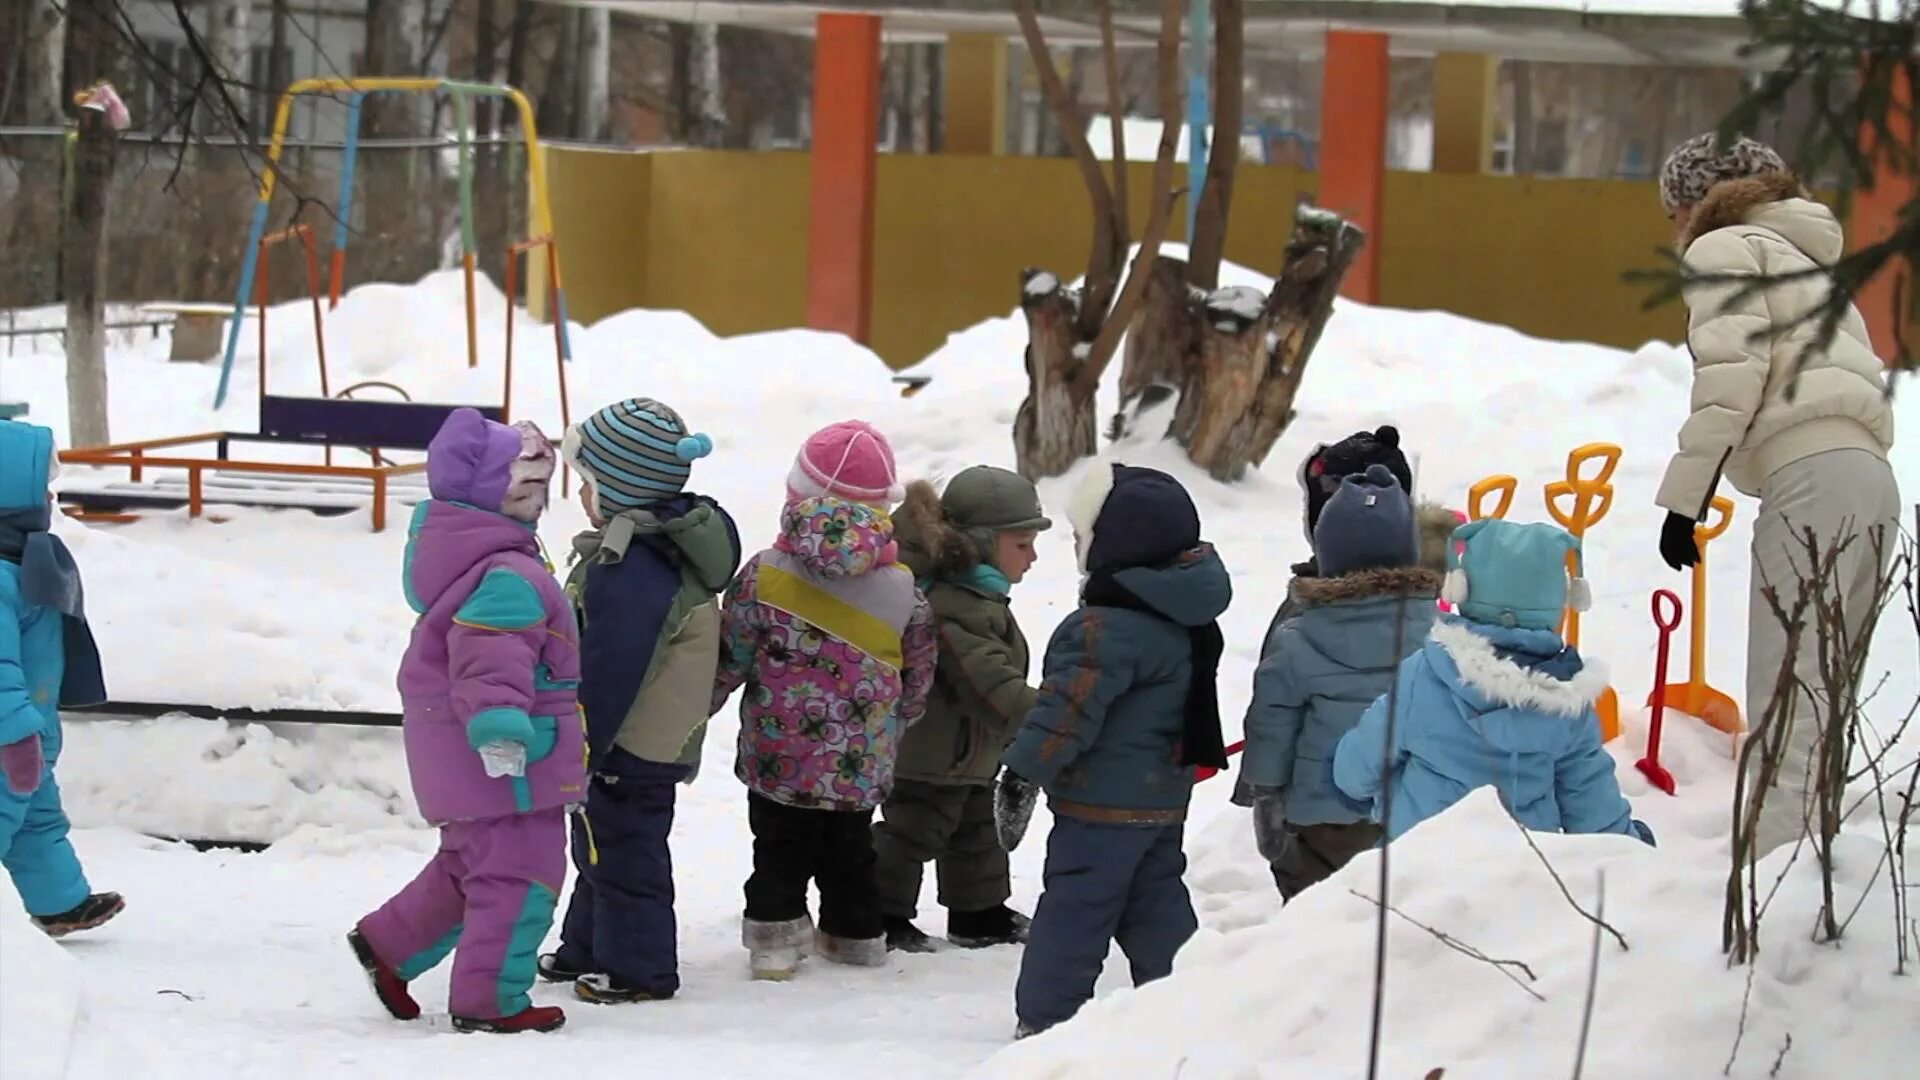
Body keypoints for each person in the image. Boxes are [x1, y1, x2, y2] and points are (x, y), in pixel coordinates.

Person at [1656, 134, 1900, 859]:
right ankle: (1814, 890)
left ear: (1700, 202)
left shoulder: (1724, 248)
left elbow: (1732, 378)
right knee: (1824, 704)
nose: (1673, 231)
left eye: (1673, 212)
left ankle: (1765, 898)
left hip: (1810, 479)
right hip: (1870, 478)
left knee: (1786, 705)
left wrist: (1685, 497)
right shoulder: (1814, 266)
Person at [349, 408, 582, 1035]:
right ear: (502, 498)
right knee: (521, 878)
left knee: (470, 864)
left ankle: (389, 945)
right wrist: (501, 727)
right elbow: (490, 656)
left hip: (478, 763)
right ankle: (491, 1000)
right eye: (531, 491)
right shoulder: (507, 575)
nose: (539, 504)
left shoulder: (482, 559)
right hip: (508, 762)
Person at [995, 463, 1232, 1039]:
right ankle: (1188, 1002)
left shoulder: (1104, 628)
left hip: (1099, 803)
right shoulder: (1184, 614)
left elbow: (1065, 713)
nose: (1076, 545)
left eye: (1084, 534)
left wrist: (1022, 774)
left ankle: (1047, 1022)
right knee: (1155, 902)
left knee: (1077, 906)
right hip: (1161, 798)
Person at [711, 421, 937, 981]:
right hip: (858, 761)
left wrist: (706, 700)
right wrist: (901, 716)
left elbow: (733, 653)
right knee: (851, 850)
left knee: (778, 848)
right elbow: (919, 665)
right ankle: (856, 935)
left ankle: (775, 939)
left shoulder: (763, 573)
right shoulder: (904, 587)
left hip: (776, 752)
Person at [535, 398, 740, 1004]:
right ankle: (589, 947)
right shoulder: (661, 544)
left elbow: (613, 665)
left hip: (629, 741)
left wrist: (582, 740)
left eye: (588, 484)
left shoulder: (632, 567)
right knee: (601, 846)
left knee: (626, 855)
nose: (581, 496)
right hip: (646, 737)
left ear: (621, 490)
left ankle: (640, 968)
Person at [1330, 518, 1652, 847]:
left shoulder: (1424, 674)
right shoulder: (1570, 705)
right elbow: (1592, 807)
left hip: (1417, 863)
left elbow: (1357, 766)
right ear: (1559, 605)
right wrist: (1630, 842)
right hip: (1516, 873)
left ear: (1463, 589)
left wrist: (1364, 797)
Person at [1241, 465, 1440, 901]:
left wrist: (1266, 796)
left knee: (1315, 918)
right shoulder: (1442, 633)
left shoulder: (1296, 639)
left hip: (1321, 824)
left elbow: (1271, 727)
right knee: (1402, 921)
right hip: (1415, 813)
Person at [873, 466, 1050, 953]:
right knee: (912, 832)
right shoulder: (953, 604)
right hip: (930, 754)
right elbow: (989, 682)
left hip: (968, 751)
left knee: (977, 833)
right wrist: (1050, 718)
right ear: (981, 543)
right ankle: (876, 913)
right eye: (1022, 544)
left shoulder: (979, 596)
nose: (1033, 556)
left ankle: (979, 913)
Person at [0, 421, 120, 938]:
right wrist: (13, 734)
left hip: (31, 734)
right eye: (41, 485)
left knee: (37, 822)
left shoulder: (25, 564)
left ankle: (60, 902)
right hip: (9, 736)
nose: (50, 495)